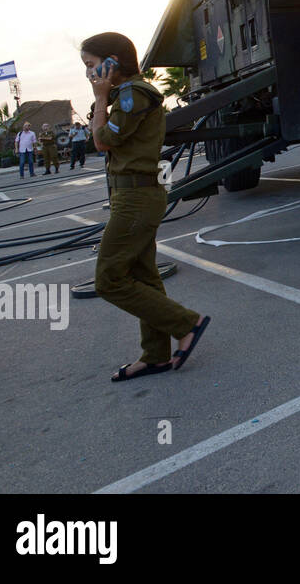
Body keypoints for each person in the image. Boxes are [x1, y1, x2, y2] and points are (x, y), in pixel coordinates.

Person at [81, 32, 210, 382]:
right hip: (132, 195)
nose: (89, 74)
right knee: (142, 276)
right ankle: (155, 355)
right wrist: (103, 96)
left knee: (108, 280)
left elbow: (101, 141)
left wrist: (99, 97)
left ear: (113, 62)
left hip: (137, 198)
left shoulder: (133, 93)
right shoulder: (125, 94)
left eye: (92, 66)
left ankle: (187, 324)